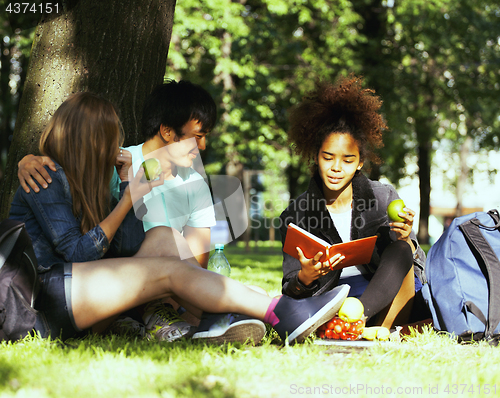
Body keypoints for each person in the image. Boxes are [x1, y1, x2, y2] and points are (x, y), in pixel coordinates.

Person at [8, 92, 350, 344]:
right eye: (112, 140)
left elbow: (130, 245)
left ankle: (223, 313)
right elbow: (78, 253)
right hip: (44, 304)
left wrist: (128, 185)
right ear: (91, 142)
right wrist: (129, 196)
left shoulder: (102, 178)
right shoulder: (46, 175)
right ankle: (278, 311)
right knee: (169, 268)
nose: (118, 147)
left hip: (84, 295)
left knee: (163, 236)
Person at [279, 75, 426, 328]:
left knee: (403, 249)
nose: (337, 168)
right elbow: (291, 290)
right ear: (316, 157)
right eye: (328, 157)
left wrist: (405, 239)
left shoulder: (384, 197)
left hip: (381, 302)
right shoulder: (296, 214)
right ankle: (356, 327)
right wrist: (305, 277)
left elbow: (411, 267)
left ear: (359, 163)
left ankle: (357, 322)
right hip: (328, 302)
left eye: (347, 160)